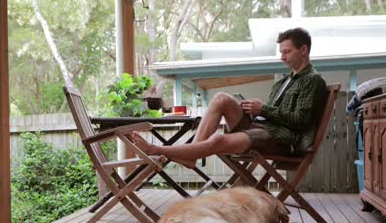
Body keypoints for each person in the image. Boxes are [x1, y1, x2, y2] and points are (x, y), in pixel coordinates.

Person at [129, 27, 327, 168]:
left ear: (303, 50)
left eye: (287, 52)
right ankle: (192, 156)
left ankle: (156, 149)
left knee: (217, 141)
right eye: (281, 52)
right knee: (222, 98)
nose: (282, 57)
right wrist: (253, 109)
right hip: (263, 127)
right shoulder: (284, 80)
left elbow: (301, 122)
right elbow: (273, 114)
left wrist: (263, 109)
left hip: (282, 140)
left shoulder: (312, 80)